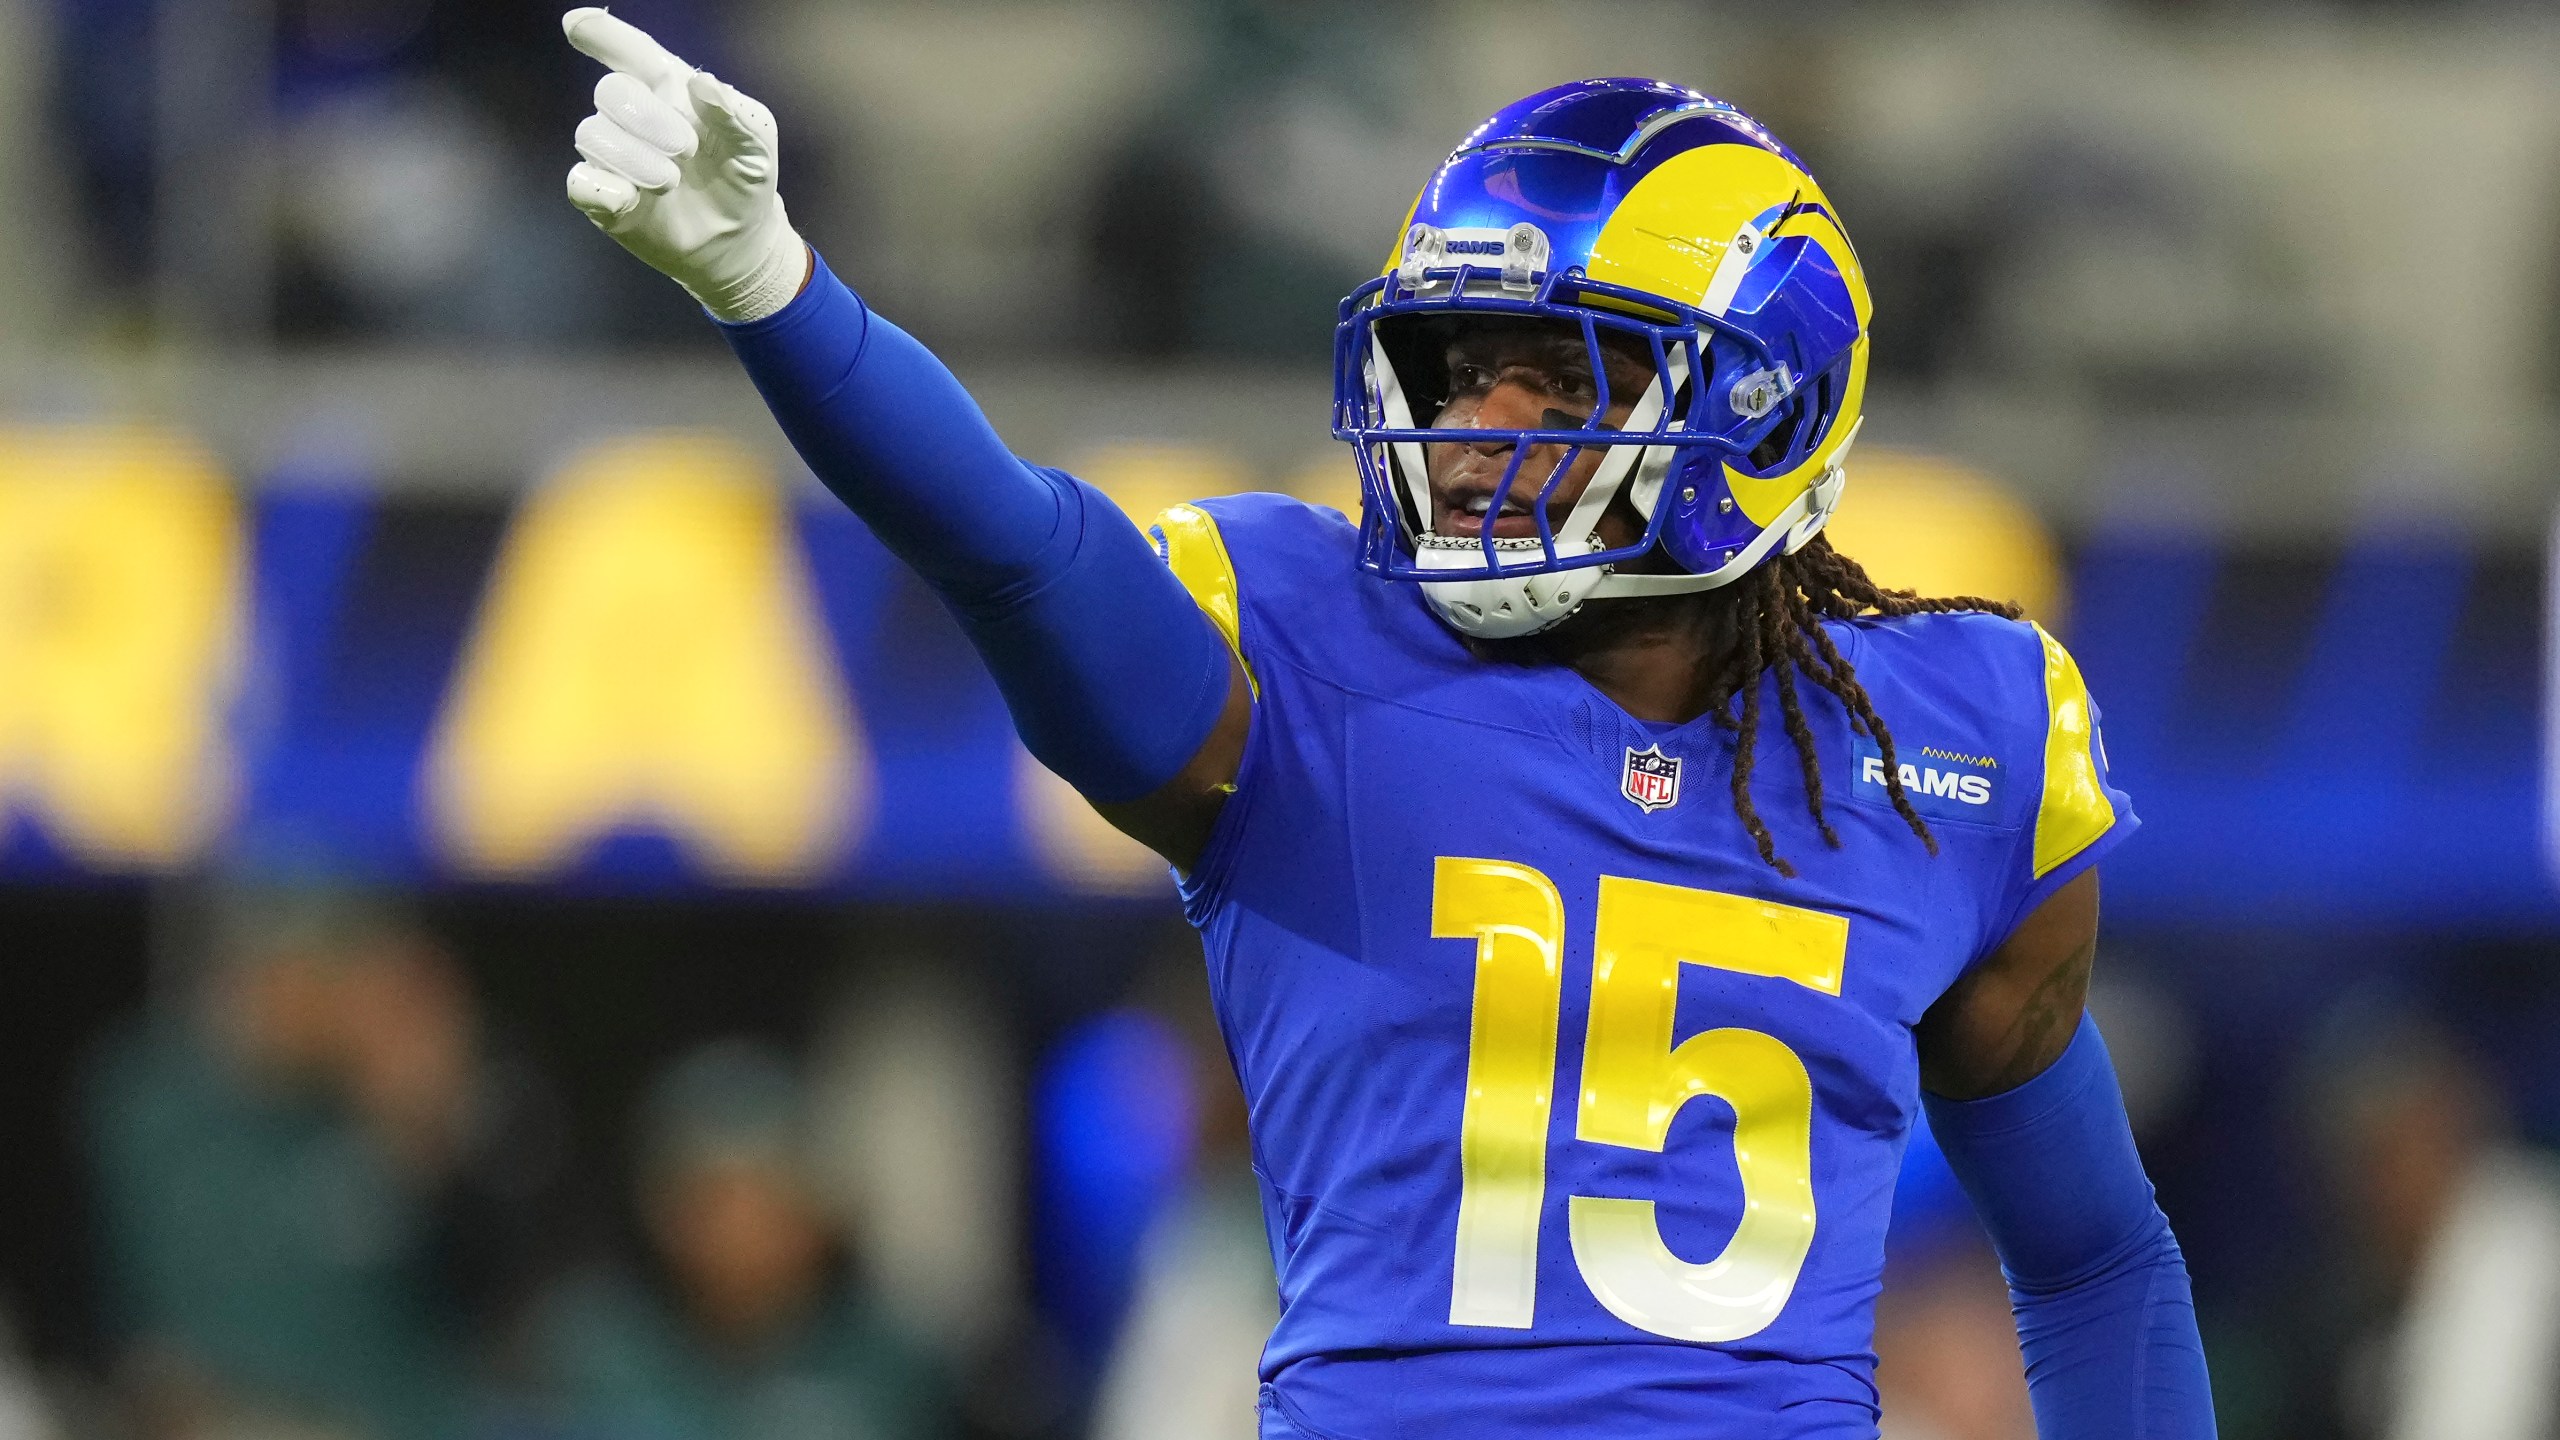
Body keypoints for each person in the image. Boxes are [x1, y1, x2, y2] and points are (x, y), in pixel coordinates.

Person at [556, 12, 2215, 1436]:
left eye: (1558, 384)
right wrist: (776, 288)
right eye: (1458, 371)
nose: (1478, 436)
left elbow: (2094, 1259)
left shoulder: (1957, 743)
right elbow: (1013, 545)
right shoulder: (1299, 659)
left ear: (1757, 413)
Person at [521, 1040, 948, 1440]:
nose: (736, 1228)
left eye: (766, 1195)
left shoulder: (895, 1363)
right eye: (710, 1196)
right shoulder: (588, 1352)